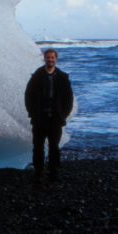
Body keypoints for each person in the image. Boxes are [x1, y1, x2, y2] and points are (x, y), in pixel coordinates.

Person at [24, 48, 74, 183]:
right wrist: (32, 113)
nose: (50, 60)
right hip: (40, 118)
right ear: (44, 58)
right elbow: (28, 96)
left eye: (52, 58)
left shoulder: (63, 77)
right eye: (48, 57)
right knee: (38, 146)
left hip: (56, 119)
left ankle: (53, 172)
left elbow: (68, 99)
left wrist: (63, 115)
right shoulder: (37, 75)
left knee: (54, 147)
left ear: (56, 59)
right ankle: (39, 172)